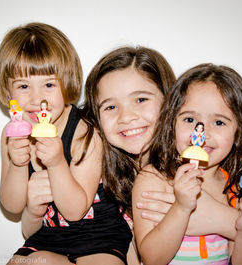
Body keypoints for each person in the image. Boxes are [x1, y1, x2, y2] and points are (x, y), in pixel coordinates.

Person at [132, 63, 242, 264]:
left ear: (239, 133)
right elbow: (151, 258)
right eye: (190, 119)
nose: (202, 133)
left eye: (219, 122)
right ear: (171, 122)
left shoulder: (237, 187)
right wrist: (182, 208)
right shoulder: (154, 178)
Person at [22, 45, 176, 265]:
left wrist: (190, 213)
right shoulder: (98, 168)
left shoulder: (190, 168)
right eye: (110, 107)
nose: (126, 116)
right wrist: (32, 211)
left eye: (141, 99)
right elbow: (36, 234)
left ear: (170, 100)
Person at [0, 22, 132, 265]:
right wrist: (17, 165)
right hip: (48, 237)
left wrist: (57, 162)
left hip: (99, 237)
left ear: (66, 82)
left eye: (48, 84)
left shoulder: (84, 131)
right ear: (8, 90)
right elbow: (12, 205)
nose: (38, 99)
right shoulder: (13, 132)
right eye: (23, 86)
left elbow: (75, 210)